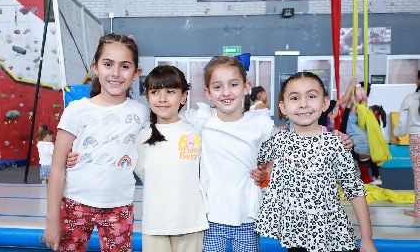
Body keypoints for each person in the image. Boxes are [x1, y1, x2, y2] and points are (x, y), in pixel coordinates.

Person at [43, 33, 150, 252]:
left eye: (125, 66)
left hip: (119, 207)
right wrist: (52, 221)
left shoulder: (142, 113)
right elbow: (57, 165)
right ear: (95, 67)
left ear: (136, 72)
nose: (115, 73)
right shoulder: (77, 110)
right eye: (108, 64)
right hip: (75, 203)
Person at [255, 72, 377, 252]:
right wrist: (261, 175)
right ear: (283, 106)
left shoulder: (336, 144)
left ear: (325, 103)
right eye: (295, 98)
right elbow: (252, 162)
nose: (304, 104)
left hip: (334, 237)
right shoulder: (278, 142)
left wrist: (366, 238)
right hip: (297, 237)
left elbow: (355, 190)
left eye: (311, 96)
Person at [181, 56, 279, 252]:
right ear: (207, 93)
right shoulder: (202, 118)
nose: (226, 92)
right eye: (217, 87)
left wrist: (266, 172)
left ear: (246, 87)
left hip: (247, 215)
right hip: (211, 215)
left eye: (233, 84)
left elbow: (284, 149)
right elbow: (168, 119)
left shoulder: (259, 123)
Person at [134, 65, 209, 251]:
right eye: (155, 91)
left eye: (170, 91)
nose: (162, 98)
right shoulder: (140, 136)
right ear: (147, 96)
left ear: (184, 96)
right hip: (155, 224)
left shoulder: (196, 132)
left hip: (191, 223)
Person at [394, 70, 420, 218]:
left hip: (416, 137)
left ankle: (419, 210)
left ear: (418, 80)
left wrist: (398, 134)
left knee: (418, 174)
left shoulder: (411, 99)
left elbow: (402, 122)